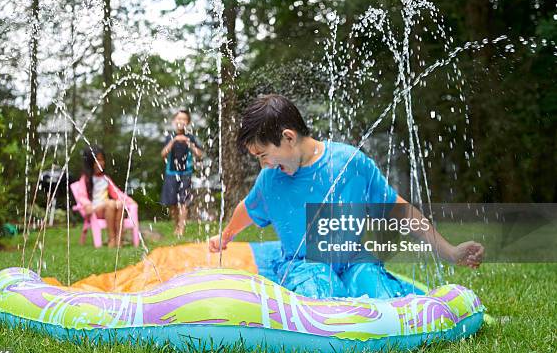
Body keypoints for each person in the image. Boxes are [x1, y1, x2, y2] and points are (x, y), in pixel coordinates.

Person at [209, 94, 484, 299]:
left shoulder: (349, 163)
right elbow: (248, 208)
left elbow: (400, 211)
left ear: (288, 137)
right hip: (305, 266)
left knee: (379, 293)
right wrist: (226, 235)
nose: (264, 164)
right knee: (320, 292)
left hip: (354, 260)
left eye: (263, 155)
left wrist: (449, 251)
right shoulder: (271, 180)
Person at [77, 146, 136, 247]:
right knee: (111, 203)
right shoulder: (86, 179)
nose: (100, 163)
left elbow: (117, 193)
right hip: (94, 210)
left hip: (108, 208)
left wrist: (129, 200)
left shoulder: (105, 178)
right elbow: (81, 196)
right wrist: (87, 204)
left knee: (119, 204)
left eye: (102, 160)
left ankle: (119, 238)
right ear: (90, 163)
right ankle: (111, 238)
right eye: (97, 161)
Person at [160, 110, 203, 237]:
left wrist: (189, 143)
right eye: (178, 119)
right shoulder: (170, 137)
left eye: (184, 119)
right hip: (171, 172)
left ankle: (182, 228)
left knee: (184, 201)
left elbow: (199, 154)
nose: (181, 121)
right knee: (172, 202)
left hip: (186, 172)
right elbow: (163, 154)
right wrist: (174, 141)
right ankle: (176, 225)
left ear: (188, 122)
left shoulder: (190, 137)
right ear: (174, 121)